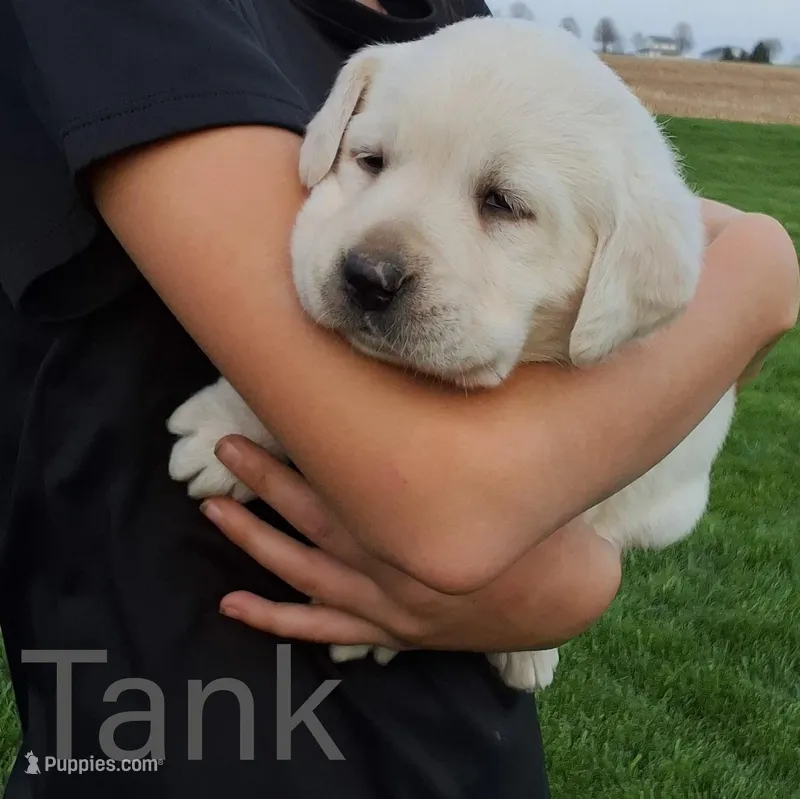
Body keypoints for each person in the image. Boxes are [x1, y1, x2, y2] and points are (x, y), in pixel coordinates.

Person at [0, 0, 796, 796]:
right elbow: (444, 512)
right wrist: (760, 276)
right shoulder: (121, 22)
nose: (377, 257)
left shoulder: (453, 21)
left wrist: (579, 560)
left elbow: (673, 247)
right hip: (153, 729)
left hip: (456, 750)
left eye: (501, 204)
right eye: (372, 161)